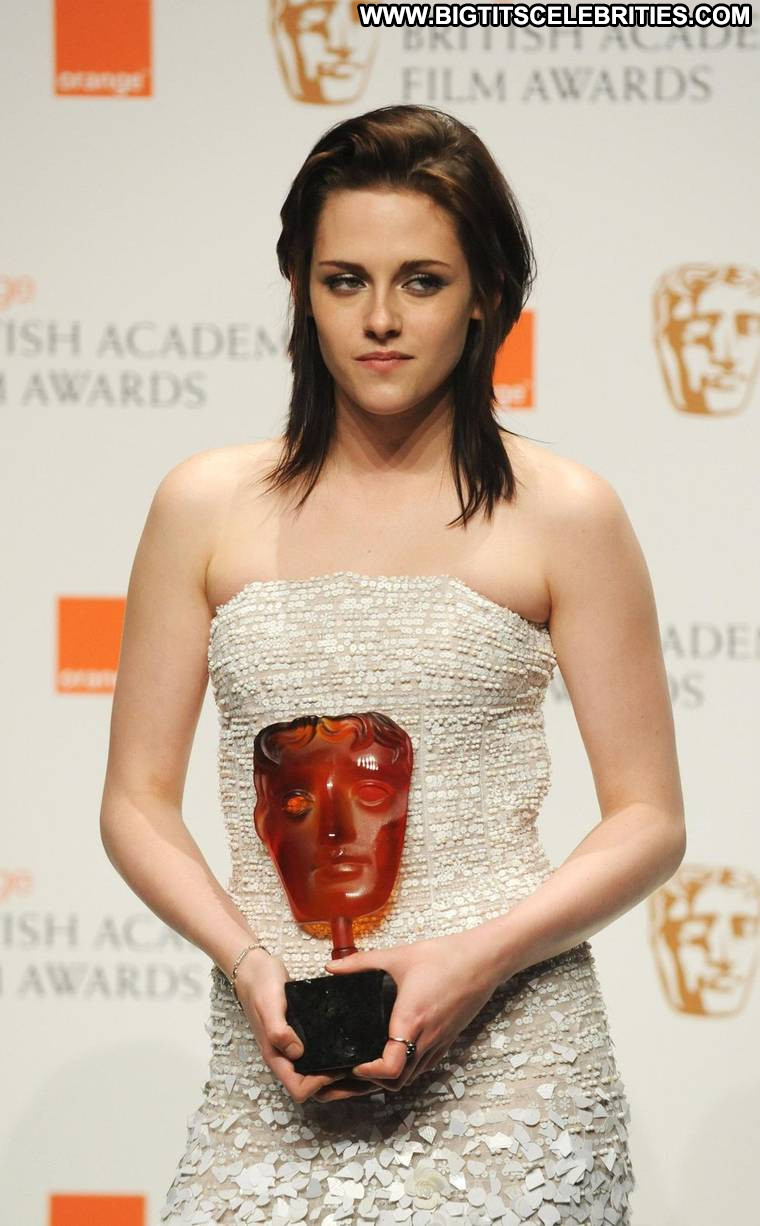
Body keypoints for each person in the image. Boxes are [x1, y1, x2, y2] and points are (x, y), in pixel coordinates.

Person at [100, 104, 686, 1226]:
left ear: (485, 296)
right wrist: (247, 963)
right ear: (299, 288)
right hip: (274, 1060)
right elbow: (134, 800)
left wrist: (476, 962)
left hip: (512, 1071)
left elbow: (650, 817)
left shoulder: (565, 513)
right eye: (344, 280)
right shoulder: (202, 505)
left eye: (421, 280)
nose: (379, 318)